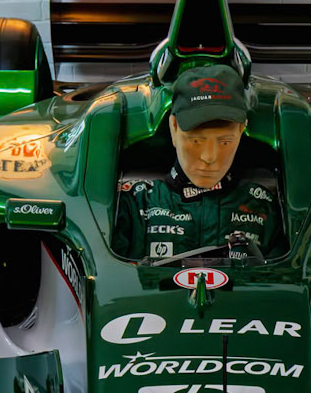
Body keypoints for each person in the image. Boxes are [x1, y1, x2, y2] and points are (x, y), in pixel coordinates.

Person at [114, 66, 279, 263]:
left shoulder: (263, 206)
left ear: (241, 131)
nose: (209, 157)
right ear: (174, 128)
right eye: (196, 141)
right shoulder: (135, 205)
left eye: (225, 142)